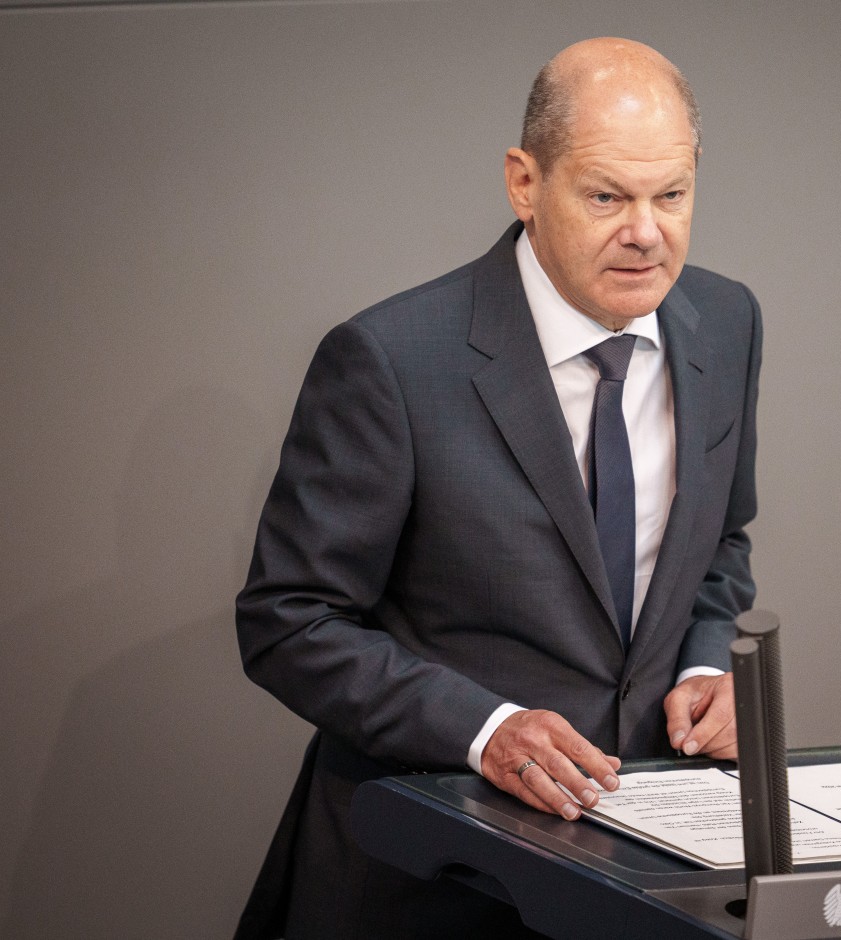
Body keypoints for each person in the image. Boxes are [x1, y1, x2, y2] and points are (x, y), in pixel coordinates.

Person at [234, 37, 762, 939]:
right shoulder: (392, 359)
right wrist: (485, 729)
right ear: (525, 183)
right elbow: (290, 620)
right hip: (428, 873)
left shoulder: (727, 319)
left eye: (671, 195)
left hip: (644, 874)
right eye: (607, 196)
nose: (647, 231)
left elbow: (721, 544)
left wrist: (708, 661)